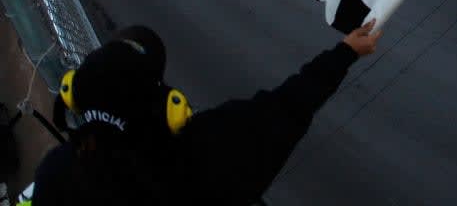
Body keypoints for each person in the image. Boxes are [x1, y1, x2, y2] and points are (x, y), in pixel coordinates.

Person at [30, 20, 384, 205]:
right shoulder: (198, 156)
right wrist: (345, 52)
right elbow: (288, 104)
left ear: (74, 93)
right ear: (170, 107)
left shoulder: (54, 174)